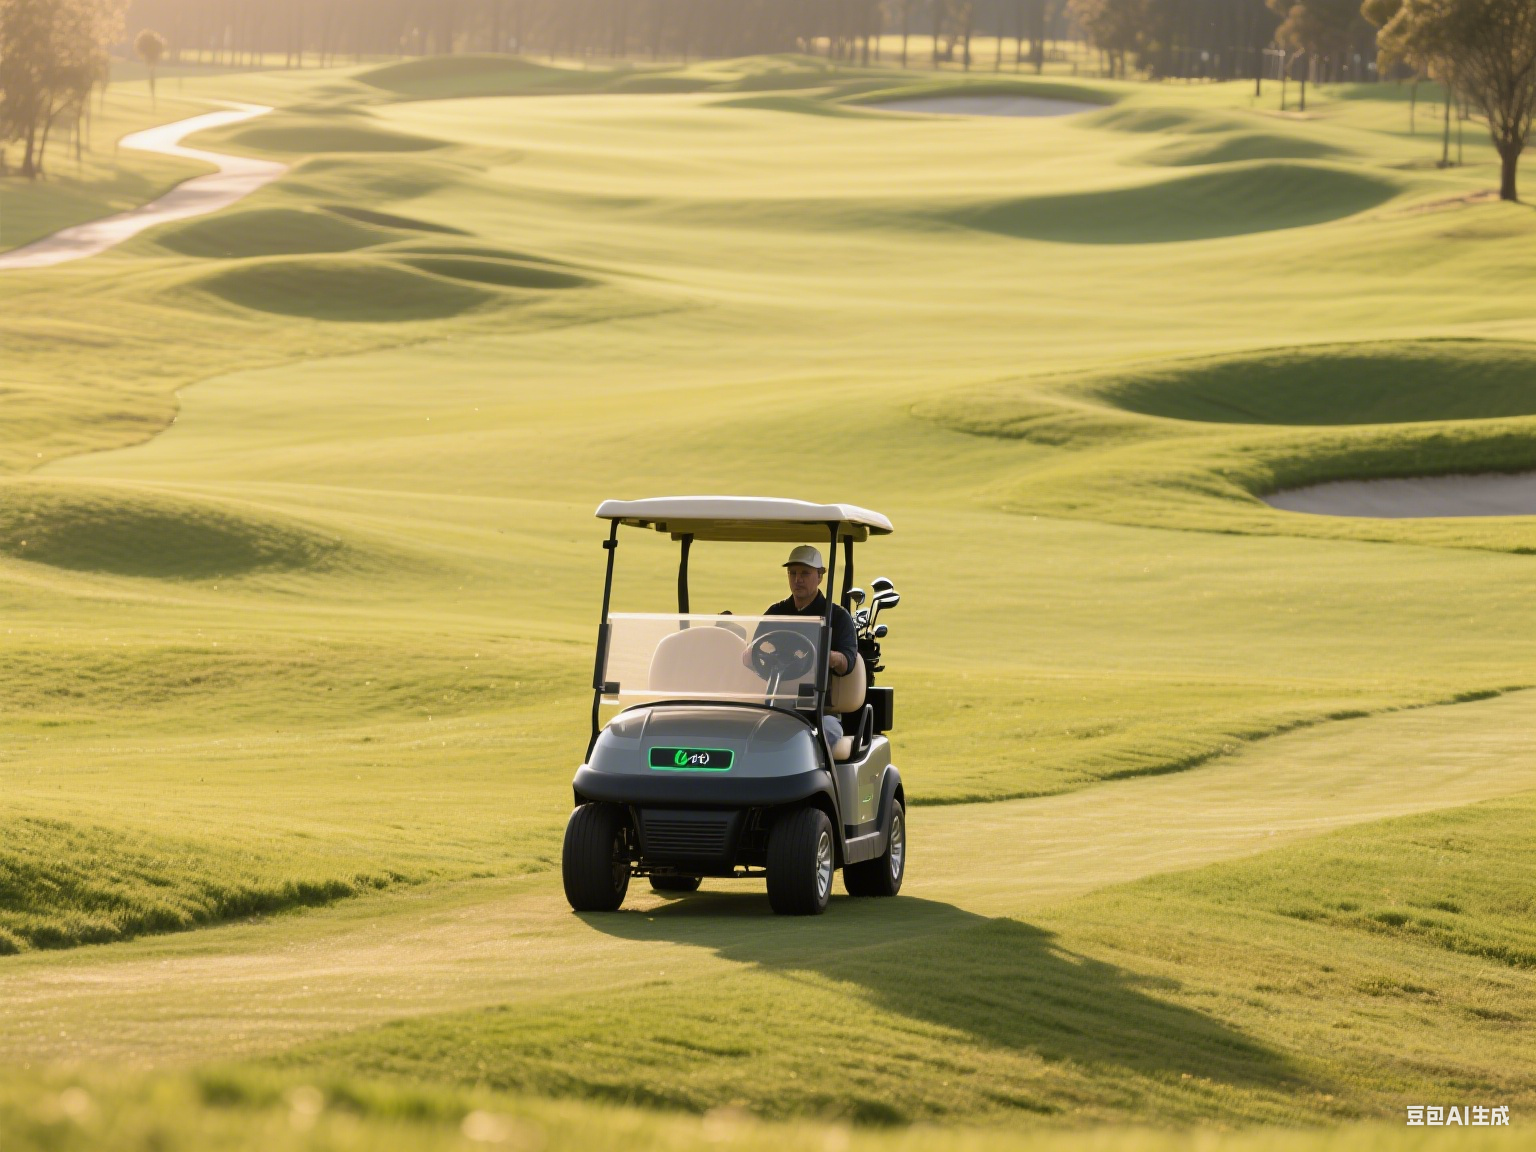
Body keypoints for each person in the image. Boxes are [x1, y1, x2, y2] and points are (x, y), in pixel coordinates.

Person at [745, 545, 860, 751]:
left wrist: (826, 656)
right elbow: (754, 652)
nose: (798, 579)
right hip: (778, 705)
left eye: (805, 573)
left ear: (820, 576)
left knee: (824, 734)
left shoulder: (838, 616)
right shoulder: (776, 612)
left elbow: (847, 663)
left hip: (821, 711)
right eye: (793, 573)